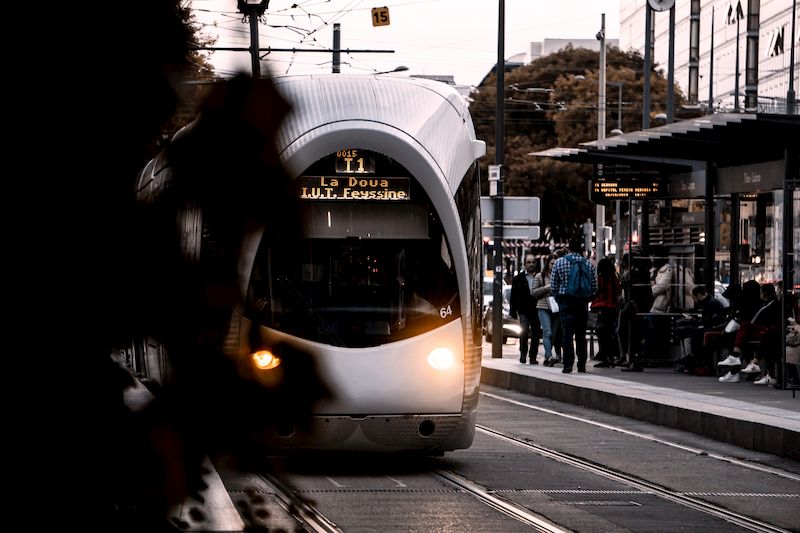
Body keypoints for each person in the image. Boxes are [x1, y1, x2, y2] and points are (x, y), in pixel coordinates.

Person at [551, 239, 597, 373]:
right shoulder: (588, 264)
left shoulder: (560, 262)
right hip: (582, 303)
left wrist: (559, 299)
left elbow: (554, 286)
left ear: (569, 248)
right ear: (581, 249)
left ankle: (568, 364)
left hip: (565, 302)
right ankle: (581, 364)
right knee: (581, 335)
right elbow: (594, 286)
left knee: (567, 334)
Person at [722, 283, 782, 384]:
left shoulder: (771, 304)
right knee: (742, 337)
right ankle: (739, 365)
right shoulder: (765, 303)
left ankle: (736, 361)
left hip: (768, 330)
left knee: (744, 328)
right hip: (766, 330)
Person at [674, 285, 728, 375]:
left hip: (711, 328)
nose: (694, 300)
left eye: (694, 297)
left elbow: (708, 321)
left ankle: (690, 361)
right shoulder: (709, 302)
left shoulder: (711, 304)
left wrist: (693, 320)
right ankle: (687, 360)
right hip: (708, 326)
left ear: (699, 295)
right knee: (682, 331)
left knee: (687, 332)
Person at [510, 254, 541, 364]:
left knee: (536, 333)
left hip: (536, 309)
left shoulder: (539, 277)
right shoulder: (518, 279)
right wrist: (513, 311)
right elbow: (513, 296)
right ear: (524, 264)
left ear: (536, 264)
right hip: (523, 310)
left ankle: (533, 356)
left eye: (533, 262)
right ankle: (523, 354)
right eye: (529, 262)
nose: (531, 264)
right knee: (524, 332)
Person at [590, 257, 621, 367]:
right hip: (612, 309)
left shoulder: (601, 279)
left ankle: (605, 356)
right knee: (610, 333)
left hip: (601, 309)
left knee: (601, 333)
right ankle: (611, 356)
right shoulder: (614, 279)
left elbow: (595, 292)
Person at [532, 253, 561, 366]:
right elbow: (533, 292)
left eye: (556, 264)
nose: (554, 266)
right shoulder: (540, 276)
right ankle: (548, 356)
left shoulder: (560, 276)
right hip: (543, 306)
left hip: (556, 308)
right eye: (552, 263)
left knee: (553, 334)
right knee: (547, 332)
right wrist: (545, 288)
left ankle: (550, 356)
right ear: (547, 264)